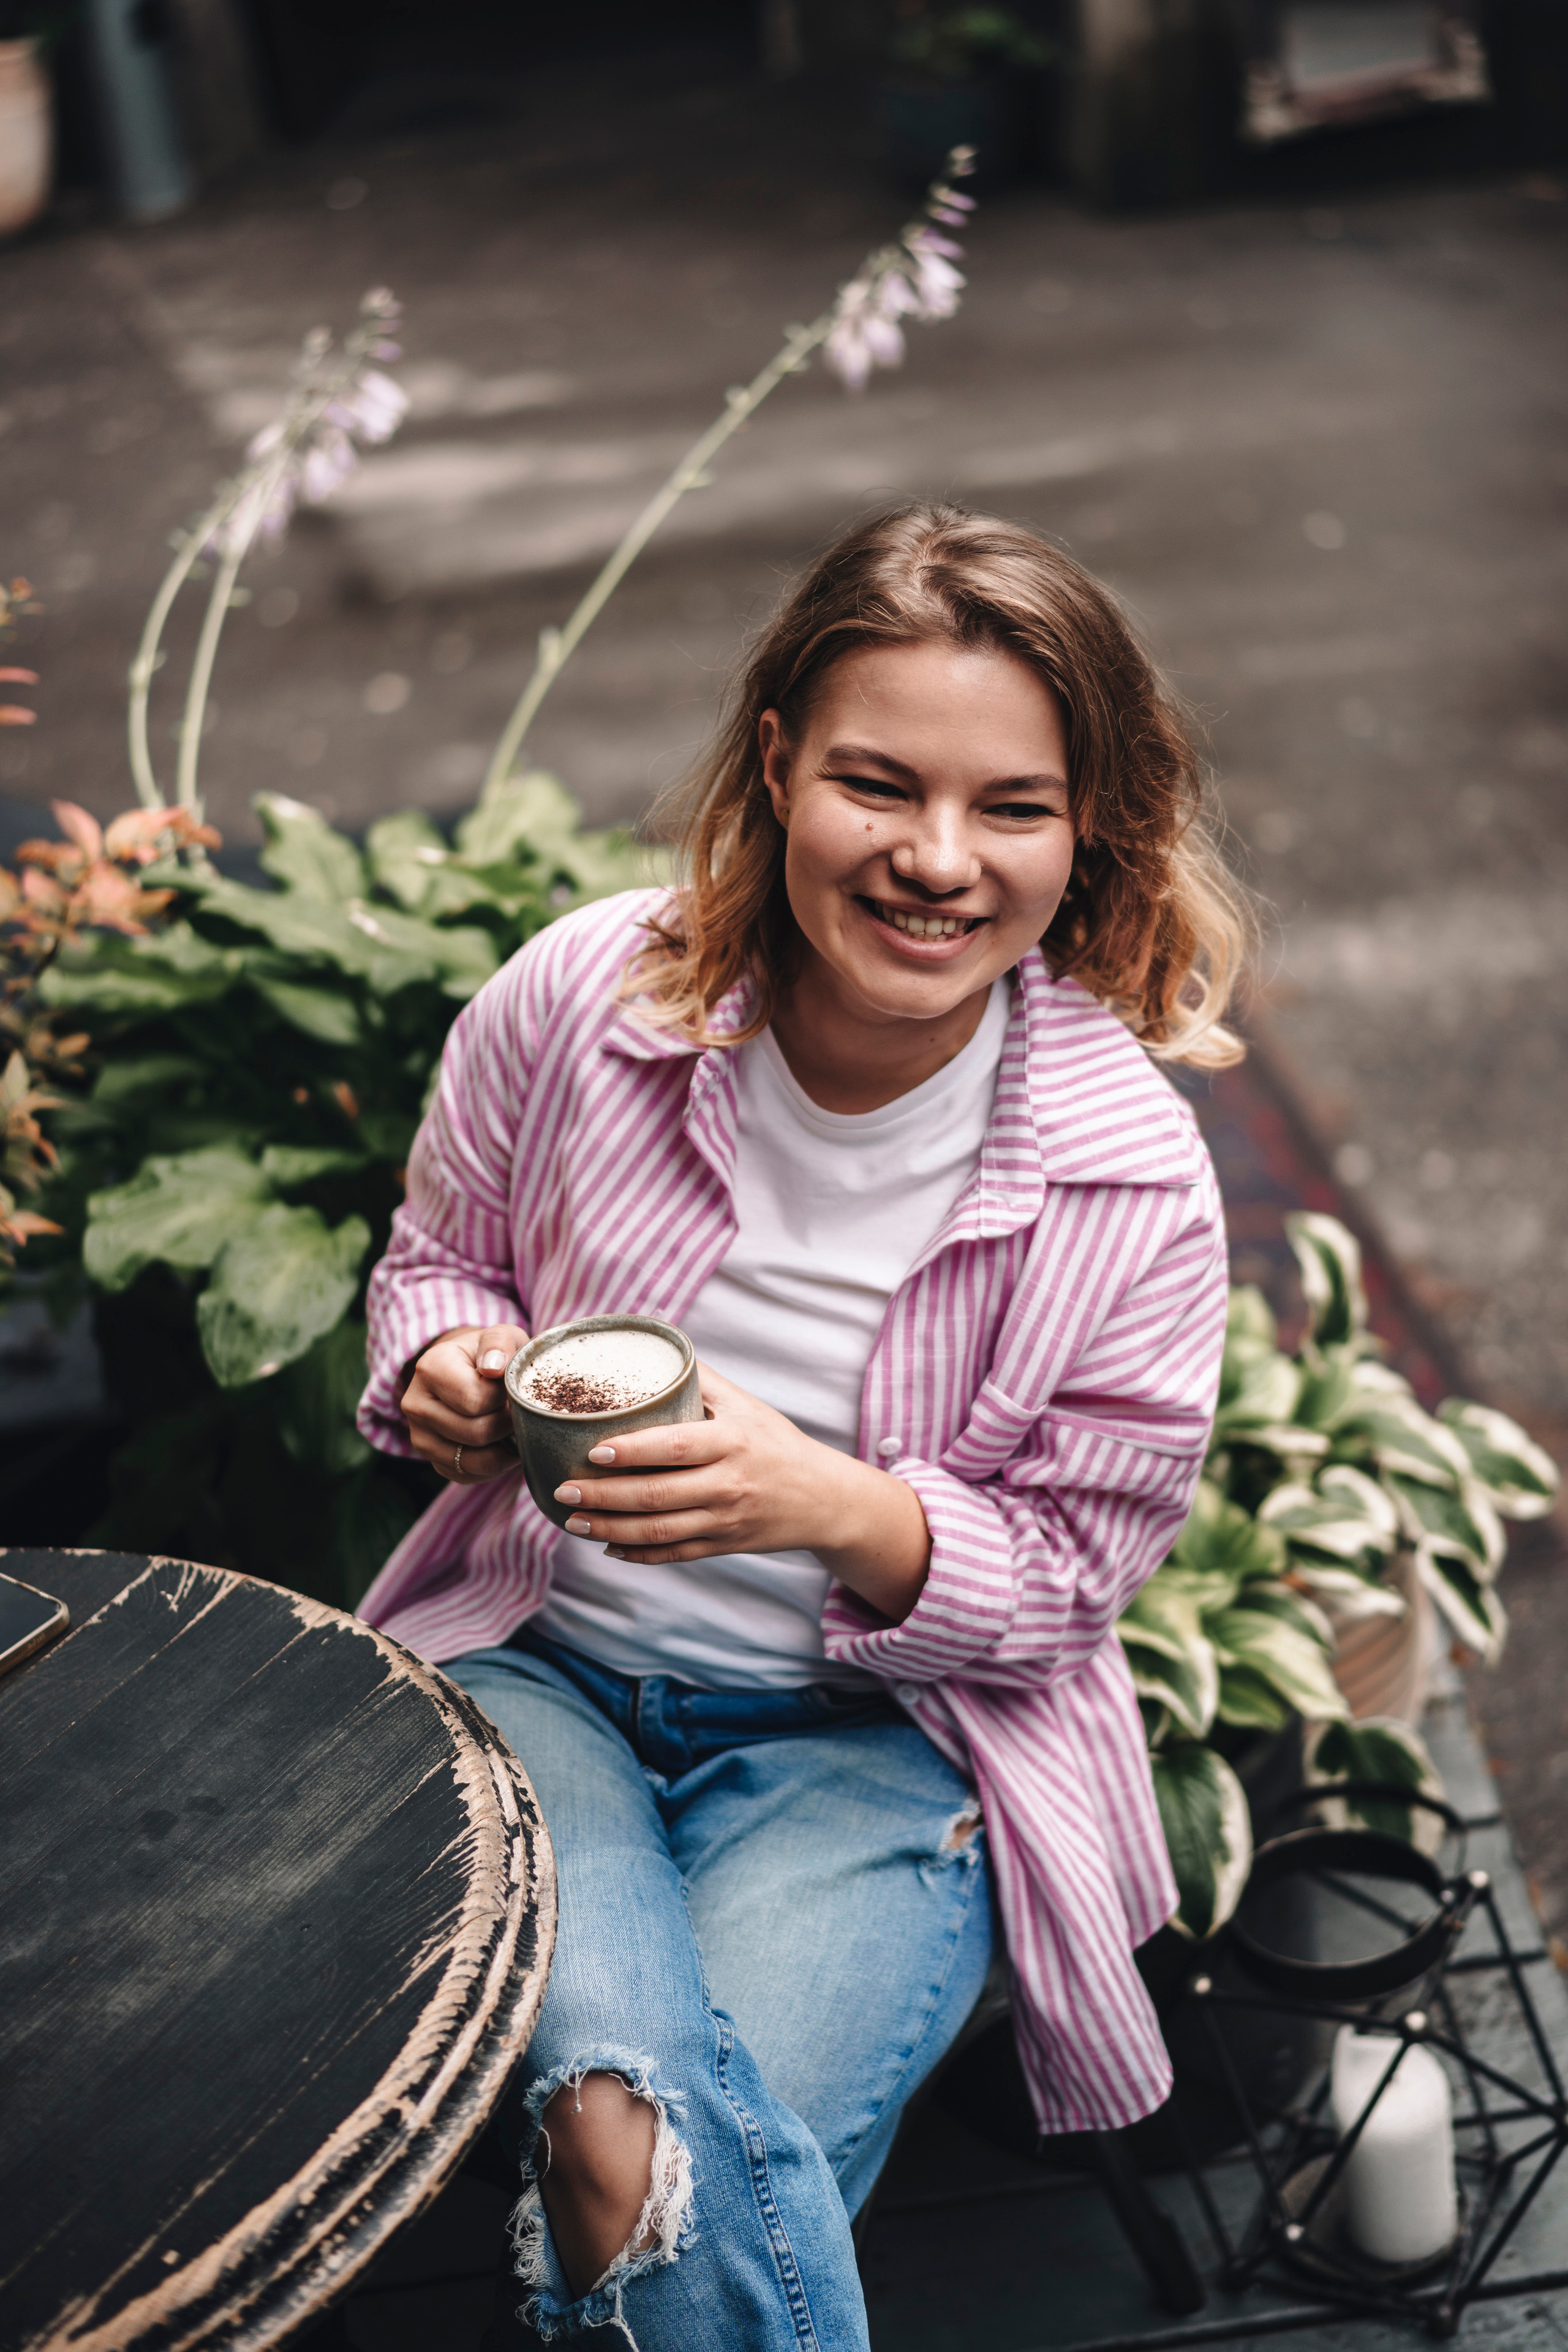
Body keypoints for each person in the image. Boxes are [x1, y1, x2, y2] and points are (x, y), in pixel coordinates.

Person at [356, 503, 1248, 2351]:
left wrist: (833, 1504)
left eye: (1013, 805)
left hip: (882, 1754)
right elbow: (439, 1262)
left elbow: (1072, 1591)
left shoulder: (1129, 1175)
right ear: (777, 764)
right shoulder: (587, 999)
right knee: (640, 2134)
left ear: (1088, 830)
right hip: (543, 1682)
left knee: (639, 2156)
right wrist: (448, 1367)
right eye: (877, 784)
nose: (938, 859)